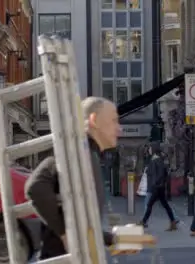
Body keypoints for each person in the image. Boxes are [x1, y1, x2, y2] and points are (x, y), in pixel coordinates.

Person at [26, 97, 153, 260]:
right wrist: (66, 235)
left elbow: (83, 226)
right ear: (94, 120)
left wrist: (115, 239)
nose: (119, 129)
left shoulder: (87, 154)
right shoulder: (77, 151)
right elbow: (35, 187)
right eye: (114, 121)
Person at [139, 142, 178, 231]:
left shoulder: (157, 160)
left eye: (150, 148)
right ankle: (173, 222)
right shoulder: (155, 159)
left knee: (150, 204)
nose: (149, 150)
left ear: (153, 149)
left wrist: (155, 183)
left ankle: (143, 222)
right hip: (159, 187)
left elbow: (160, 173)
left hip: (157, 187)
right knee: (164, 205)